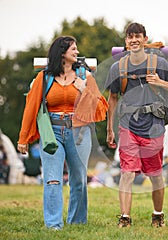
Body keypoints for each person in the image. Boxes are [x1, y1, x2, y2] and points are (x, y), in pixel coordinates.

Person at [17, 36, 108, 230]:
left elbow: (101, 106)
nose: (77, 52)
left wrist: (84, 90)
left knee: (79, 180)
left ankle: (77, 222)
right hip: (53, 133)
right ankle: (53, 224)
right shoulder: (44, 78)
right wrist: (23, 138)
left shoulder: (85, 76)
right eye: (73, 49)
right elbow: (31, 107)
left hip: (79, 133)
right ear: (62, 53)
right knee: (52, 178)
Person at [106, 22, 168, 228]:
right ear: (126, 41)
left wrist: (159, 82)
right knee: (127, 173)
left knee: (155, 175)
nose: (134, 40)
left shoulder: (160, 64)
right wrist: (109, 128)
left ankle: (158, 215)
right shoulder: (118, 67)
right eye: (130, 37)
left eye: (138, 36)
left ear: (145, 39)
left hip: (154, 126)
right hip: (127, 125)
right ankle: (125, 218)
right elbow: (112, 98)